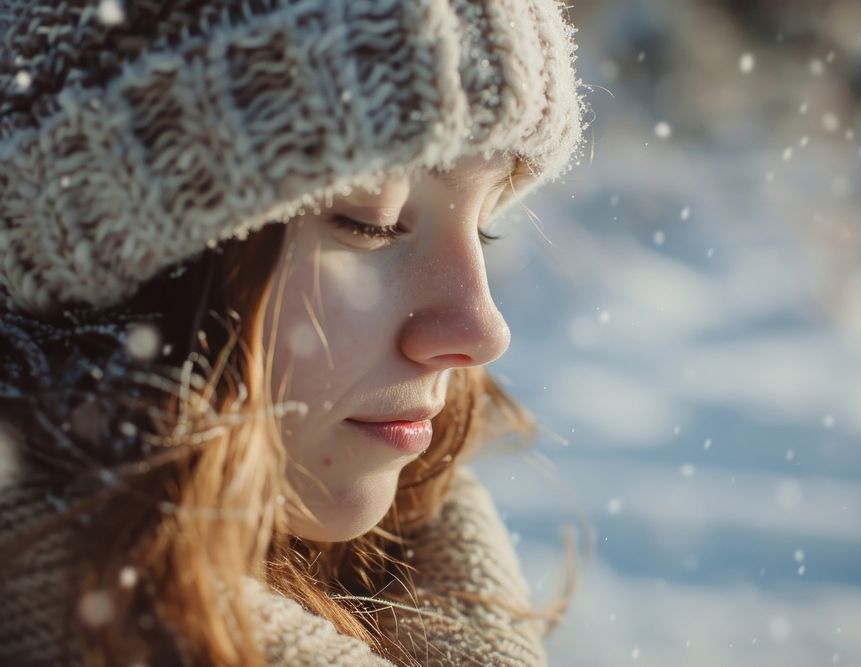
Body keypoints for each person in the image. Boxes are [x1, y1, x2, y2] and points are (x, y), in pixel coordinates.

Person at [0, 0, 589, 665]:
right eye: (373, 221)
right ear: (114, 262)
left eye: (486, 225)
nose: (482, 330)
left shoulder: (424, 570)